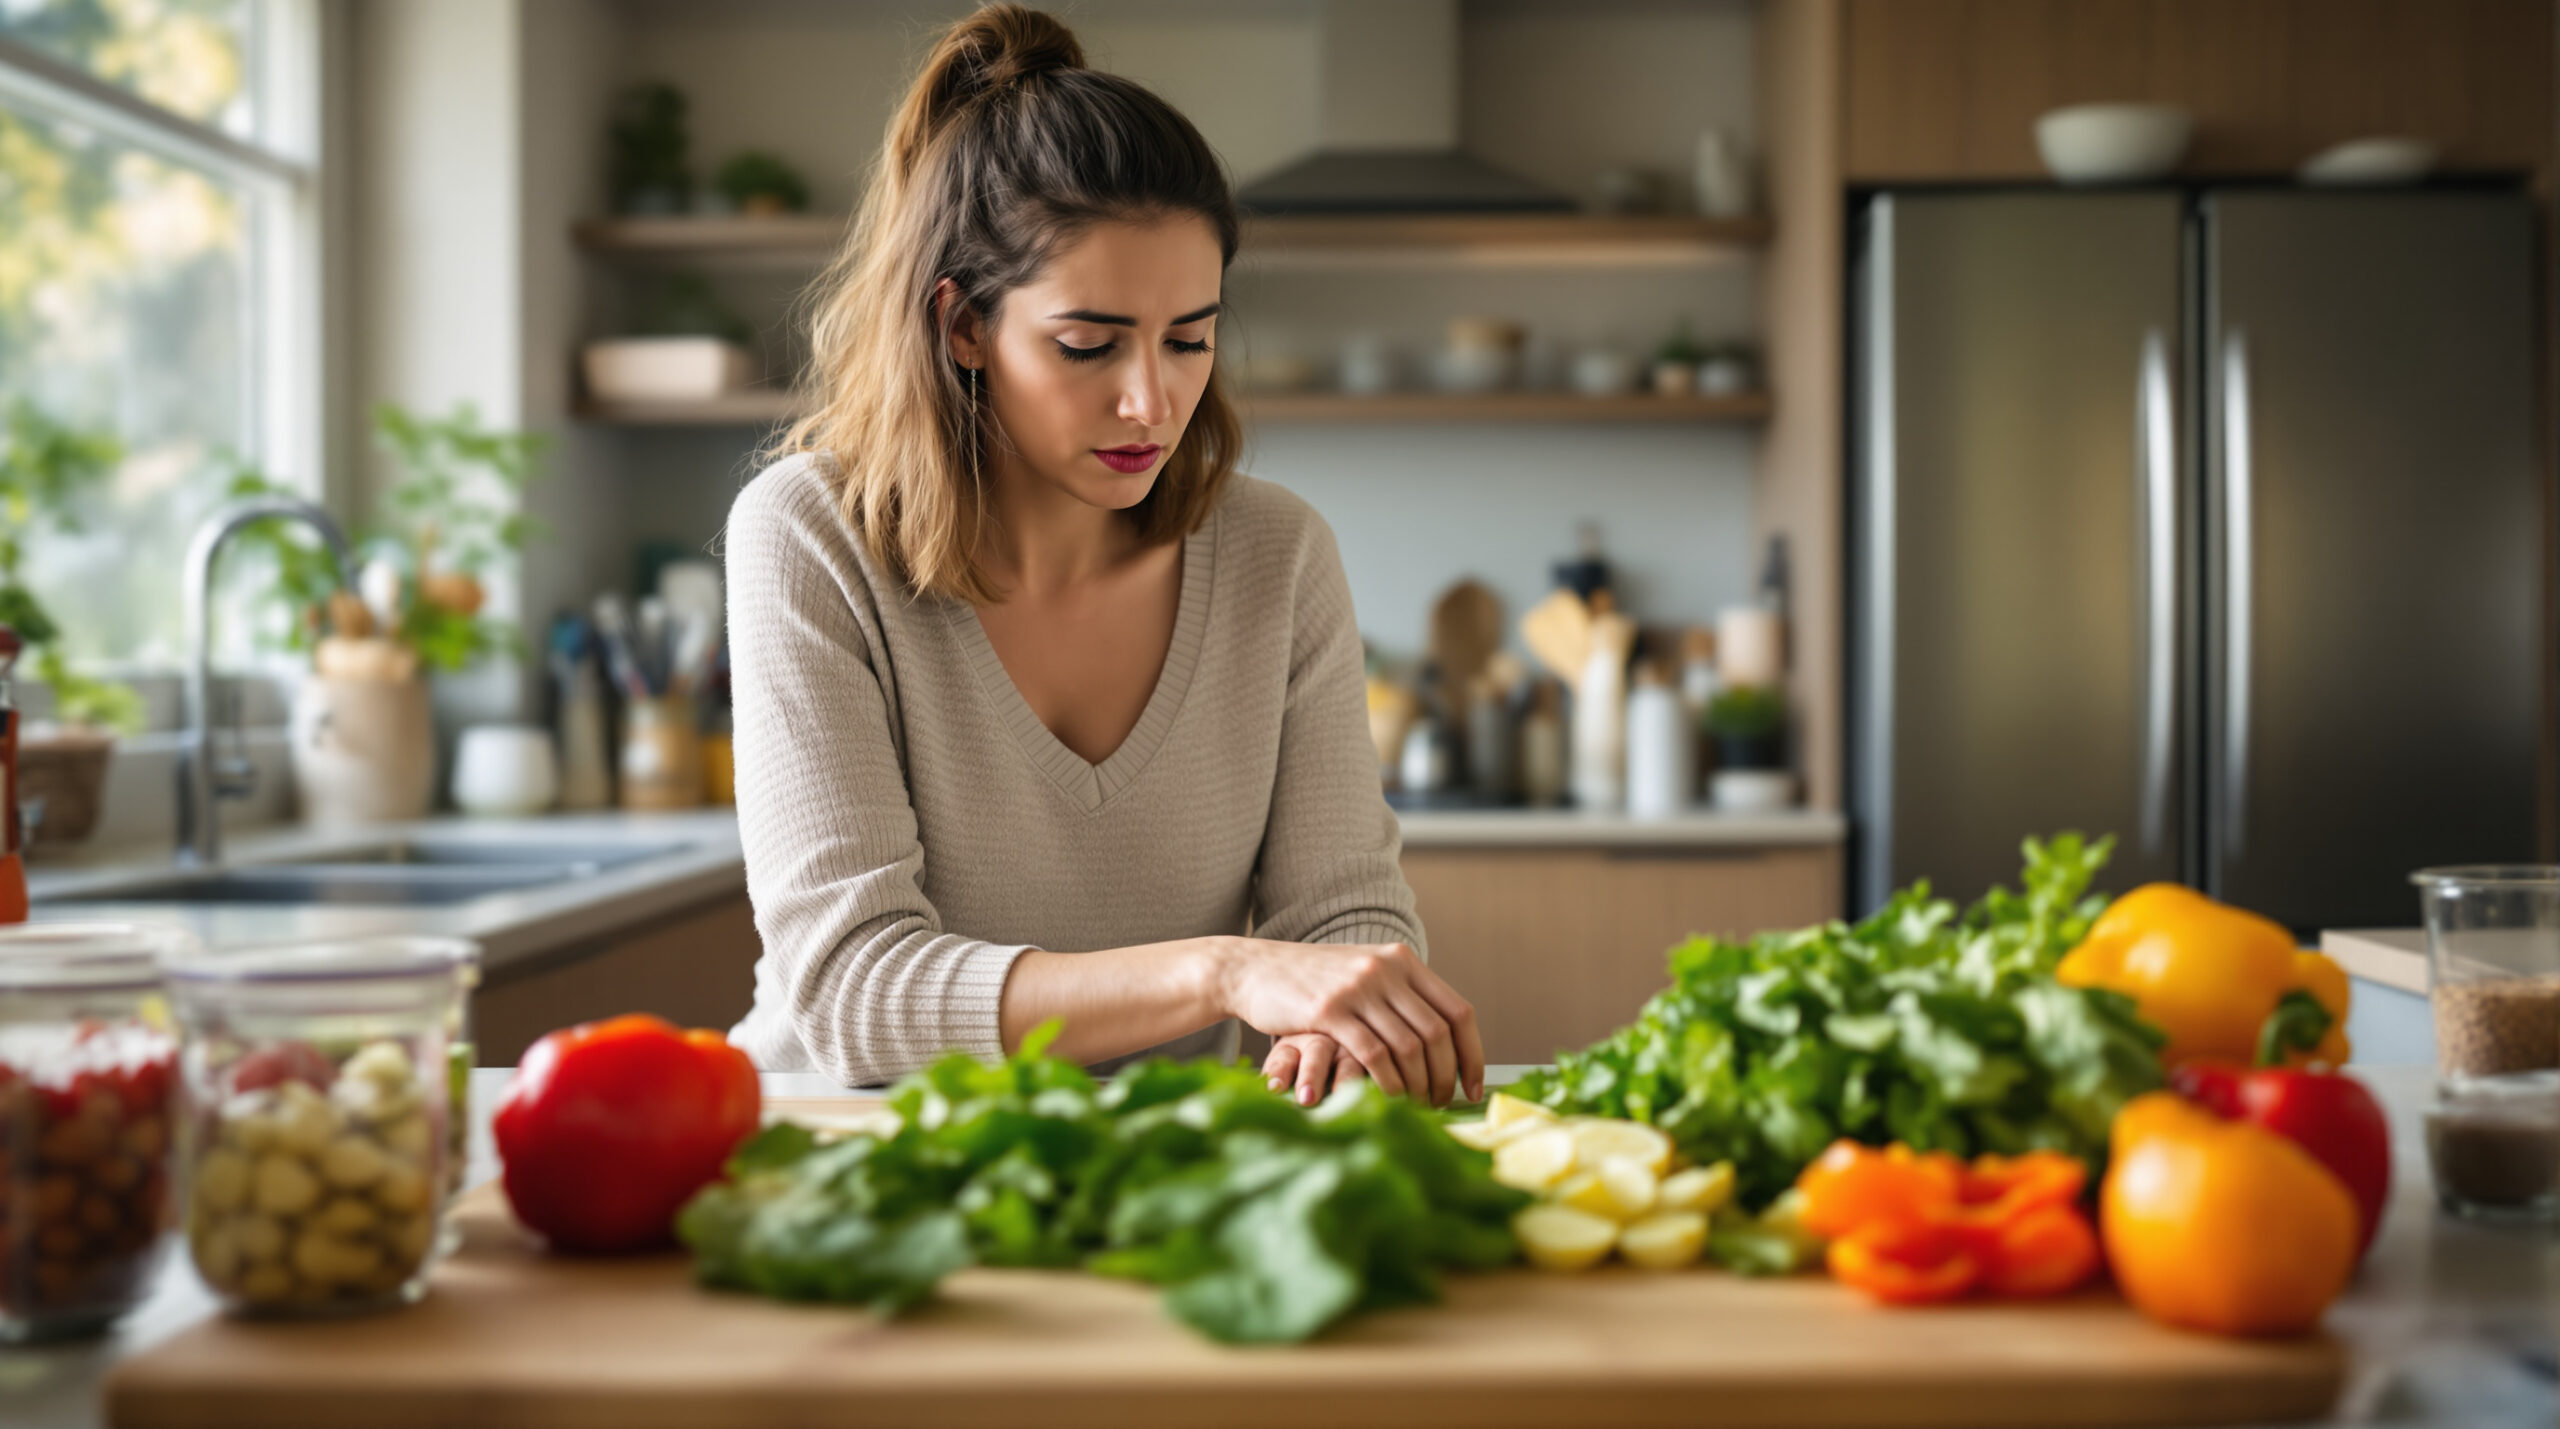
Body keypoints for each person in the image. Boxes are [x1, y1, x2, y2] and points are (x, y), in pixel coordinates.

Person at [722, 4, 1482, 1107]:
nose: (1150, 400)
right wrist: (1221, 969)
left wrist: (1343, 1024)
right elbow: (853, 990)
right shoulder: (809, 535)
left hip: (1161, 1165)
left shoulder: (1276, 553)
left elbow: (1343, 919)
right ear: (962, 327)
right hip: (849, 1155)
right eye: (1088, 345)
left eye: (1190, 338)